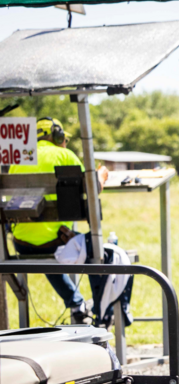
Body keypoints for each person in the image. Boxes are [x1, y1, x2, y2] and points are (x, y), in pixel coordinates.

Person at [9, 117, 107, 323]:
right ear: (57, 135)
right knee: (100, 250)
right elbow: (92, 188)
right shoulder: (65, 155)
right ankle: (103, 310)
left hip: (21, 244)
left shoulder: (18, 160)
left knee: (50, 254)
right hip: (58, 243)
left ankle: (77, 305)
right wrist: (102, 175)